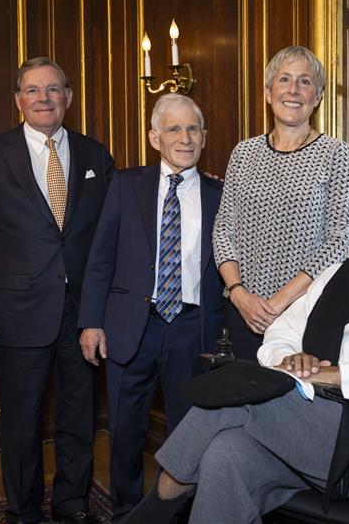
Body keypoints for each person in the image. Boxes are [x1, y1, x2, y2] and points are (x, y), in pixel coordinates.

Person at [123, 182, 349, 524]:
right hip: (317, 421)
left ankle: (159, 503)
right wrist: (289, 358)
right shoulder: (335, 277)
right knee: (225, 453)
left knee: (234, 396)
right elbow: (281, 331)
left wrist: (344, 375)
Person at [0, 57, 114, 524]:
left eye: (54, 89)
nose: (44, 98)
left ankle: (72, 503)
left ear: (68, 97)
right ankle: (22, 512)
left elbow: (111, 231)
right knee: (22, 423)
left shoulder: (95, 155)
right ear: (18, 99)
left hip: (82, 314)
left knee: (78, 418)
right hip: (14, 311)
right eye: (33, 90)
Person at [77, 94, 224, 520]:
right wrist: (91, 322)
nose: (185, 138)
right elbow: (101, 257)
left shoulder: (221, 192)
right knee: (125, 430)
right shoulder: (124, 185)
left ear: (204, 137)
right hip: (129, 327)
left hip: (193, 329)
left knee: (189, 433)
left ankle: (178, 513)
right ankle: (126, 513)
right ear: (154, 137)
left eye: (193, 129)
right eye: (174, 129)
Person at [213, 45, 349, 361]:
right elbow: (223, 231)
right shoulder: (244, 153)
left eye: (305, 82)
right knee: (246, 402)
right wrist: (239, 295)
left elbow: (339, 241)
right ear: (268, 92)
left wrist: (277, 304)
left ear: (317, 97)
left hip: (304, 311)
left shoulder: (335, 154)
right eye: (284, 80)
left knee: (293, 404)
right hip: (243, 313)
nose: (293, 90)